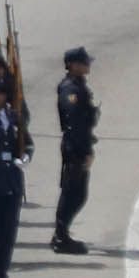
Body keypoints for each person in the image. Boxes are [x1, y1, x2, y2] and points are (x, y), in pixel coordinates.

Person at [52, 43, 101, 253]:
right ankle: (60, 236)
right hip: (75, 146)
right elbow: (74, 125)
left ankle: (63, 233)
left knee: (78, 193)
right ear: (72, 65)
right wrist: (85, 151)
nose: (87, 65)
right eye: (83, 62)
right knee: (73, 192)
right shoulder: (70, 89)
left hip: (80, 143)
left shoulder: (78, 85)